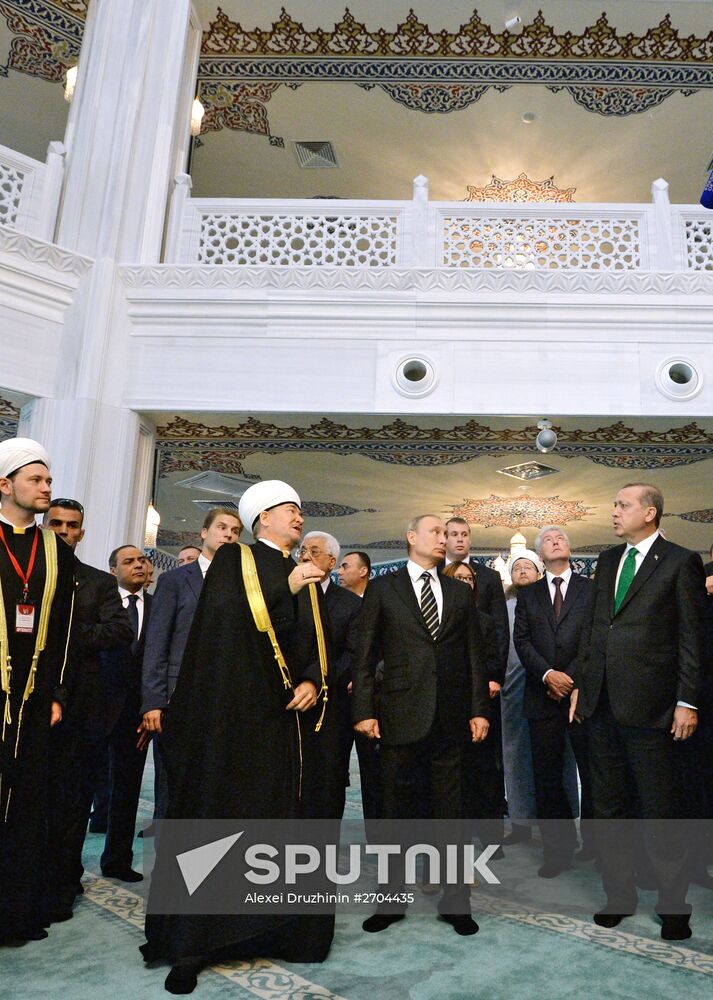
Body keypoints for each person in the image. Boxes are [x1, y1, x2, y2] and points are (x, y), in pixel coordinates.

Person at [143, 480, 340, 995]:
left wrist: (312, 680)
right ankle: (197, 941)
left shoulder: (303, 569)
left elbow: (314, 641)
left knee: (283, 826)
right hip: (234, 723)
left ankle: (279, 929)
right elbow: (229, 623)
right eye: (289, 511)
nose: (299, 518)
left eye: (301, 510)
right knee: (221, 822)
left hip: (287, 725)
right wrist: (290, 586)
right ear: (262, 519)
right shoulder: (238, 560)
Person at [571, 483, 706, 940]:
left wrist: (687, 701)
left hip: (654, 711)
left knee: (661, 810)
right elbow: (594, 631)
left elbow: (692, 638)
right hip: (602, 708)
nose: (614, 512)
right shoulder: (608, 561)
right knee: (609, 809)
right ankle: (619, 895)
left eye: (622, 505)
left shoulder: (680, 561)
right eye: (614, 505)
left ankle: (672, 906)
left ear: (649, 513)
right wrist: (582, 690)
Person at [352, 515, 490, 937]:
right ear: (411, 537)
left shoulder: (459, 592)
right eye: (436, 532)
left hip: (450, 719)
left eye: (447, 534)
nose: (444, 539)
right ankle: (390, 901)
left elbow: (474, 656)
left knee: (452, 815)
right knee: (395, 813)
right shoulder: (382, 588)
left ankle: (455, 902)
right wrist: (363, 710)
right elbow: (364, 654)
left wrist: (478, 708)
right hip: (398, 717)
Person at [0, 438, 76, 943]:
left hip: (34, 696)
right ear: (5, 486)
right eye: (36, 480)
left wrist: (57, 693)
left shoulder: (53, 547)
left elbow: (67, 631)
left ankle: (16, 913)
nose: (47, 487)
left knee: (28, 804)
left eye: (48, 480)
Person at [43, 498, 133, 919]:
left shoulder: (97, 583)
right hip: (29, 708)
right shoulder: (26, 576)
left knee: (73, 803)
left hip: (81, 714)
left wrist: (66, 631)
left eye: (72, 525)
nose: (64, 531)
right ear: (44, 526)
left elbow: (119, 630)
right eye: (56, 523)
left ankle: (63, 884)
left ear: (81, 532)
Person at [141, 509, 242, 827]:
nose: (228, 534)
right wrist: (154, 701)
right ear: (203, 533)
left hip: (224, 699)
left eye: (235, 531)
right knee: (171, 782)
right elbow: (157, 642)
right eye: (222, 527)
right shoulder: (174, 581)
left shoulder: (242, 582)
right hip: (174, 698)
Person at [514, 527, 594, 877]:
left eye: (561, 536)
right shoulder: (529, 595)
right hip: (541, 697)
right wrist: (548, 675)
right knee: (547, 779)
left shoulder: (591, 590)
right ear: (540, 555)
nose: (556, 540)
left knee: (595, 776)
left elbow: (595, 639)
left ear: (570, 546)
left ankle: (597, 846)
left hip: (584, 697)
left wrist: (570, 678)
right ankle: (557, 851)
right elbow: (523, 641)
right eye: (547, 540)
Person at [443, 560, 505, 853]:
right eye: (459, 577)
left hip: (478, 707)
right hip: (444, 707)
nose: (466, 582)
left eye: (469, 579)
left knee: (483, 774)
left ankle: (491, 840)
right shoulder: (436, 616)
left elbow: (493, 661)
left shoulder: (485, 621)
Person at [300, 531, 362, 819]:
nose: (304, 556)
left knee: (326, 785)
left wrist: (317, 680)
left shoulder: (350, 604)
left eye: (314, 551)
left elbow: (352, 654)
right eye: (302, 550)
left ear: (331, 562)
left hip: (331, 708)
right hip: (289, 704)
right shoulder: (287, 595)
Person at [99, 545, 152, 882]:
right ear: (113, 570)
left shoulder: (160, 606)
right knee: (79, 788)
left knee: (127, 790)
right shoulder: (100, 603)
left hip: (136, 716)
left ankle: (117, 860)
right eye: (128, 561)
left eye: (142, 560)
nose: (138, 565)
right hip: (96, 709)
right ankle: (64, 869)